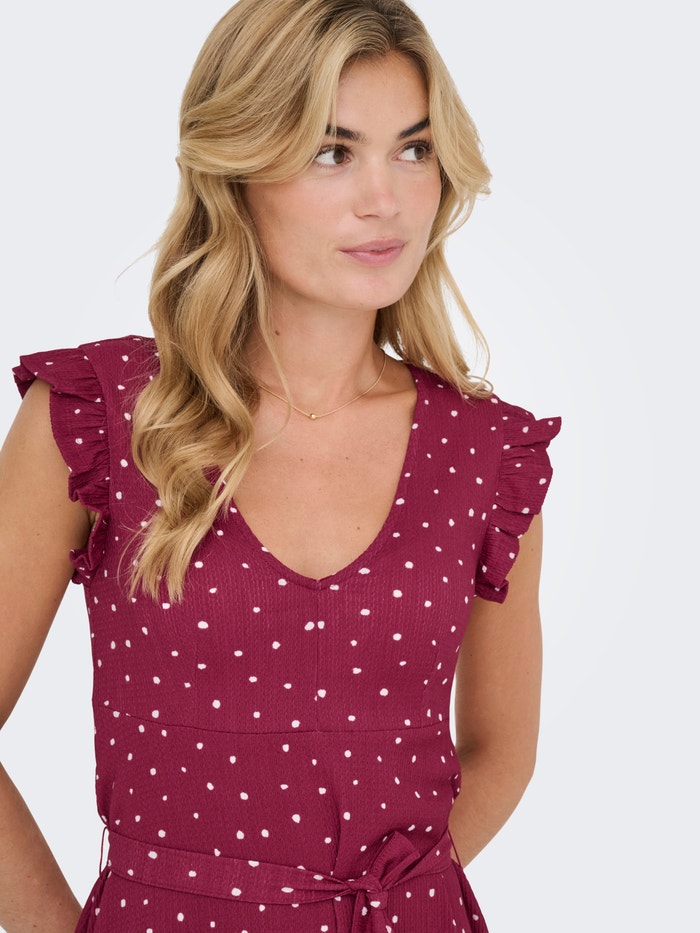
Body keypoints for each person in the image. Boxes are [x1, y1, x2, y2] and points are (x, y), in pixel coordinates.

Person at [0, 0, 560, 930]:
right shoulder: (100, 415)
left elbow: (503, 747)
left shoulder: (486, 454)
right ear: (238, 167)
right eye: (332, 152)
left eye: (414, 149)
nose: (385, 199)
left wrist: (386, 896)